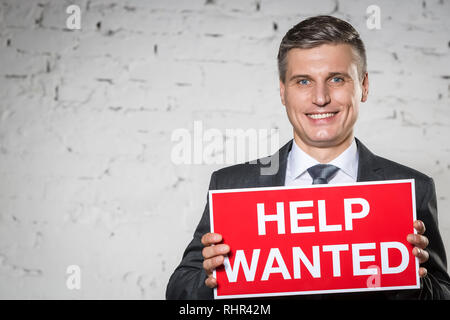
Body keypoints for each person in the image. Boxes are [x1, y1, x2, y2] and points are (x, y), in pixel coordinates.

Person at [166, 15, 450, 299]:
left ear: (363, 86)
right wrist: (212, 278)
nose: (320, 98)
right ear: (282, 91)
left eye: (336, 79)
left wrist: (413, 280)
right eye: (303, 81)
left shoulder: (412, 188)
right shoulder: (231, 185)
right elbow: (179, 292)